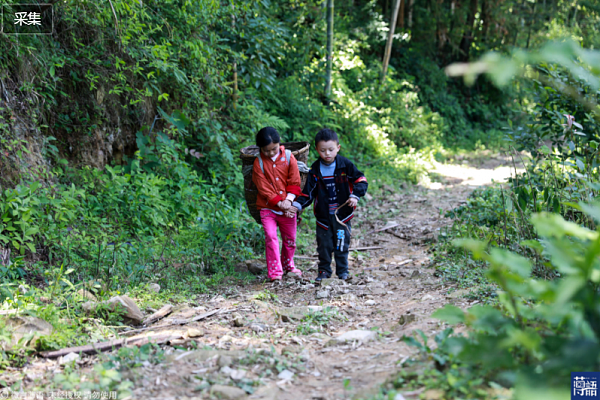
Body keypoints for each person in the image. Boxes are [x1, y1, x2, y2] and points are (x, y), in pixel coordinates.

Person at [291, 128, 368, 281]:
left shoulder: (345, 165)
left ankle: (342, 272)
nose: (327, 154)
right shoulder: (315, 170)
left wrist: (355, 196)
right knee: (324, 245)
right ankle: (324, 271)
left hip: (342, 216)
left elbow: (361, 180)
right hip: (323, 217)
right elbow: (308, 192)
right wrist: (298, 205)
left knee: (341, 243)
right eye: (323, 150)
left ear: (338, 148)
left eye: (331, 150)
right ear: (317, 150)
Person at [252, 127, 304, 281]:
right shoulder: (259, 162)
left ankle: (288, 265)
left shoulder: (288, 157)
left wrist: (288, 201)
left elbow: (295, 180)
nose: (270, 153)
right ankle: (275, 272)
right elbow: (263, 187)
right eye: (266, 150)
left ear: (279, 143)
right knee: (271, 236)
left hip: (288, 206)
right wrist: (279, 203)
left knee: (290, 239)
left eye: (273, 149)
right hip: (267, 207)